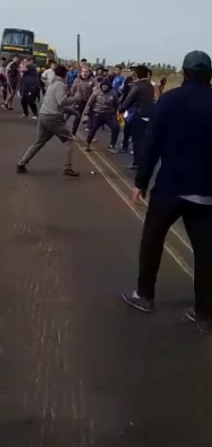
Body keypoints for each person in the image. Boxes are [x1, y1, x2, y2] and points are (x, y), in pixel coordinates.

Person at [122, 51, 212, 333]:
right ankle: (205, 315)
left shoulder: (170, 101)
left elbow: (152, 145)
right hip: (206, 193)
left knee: (152, 240)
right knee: (206, 253)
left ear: (184, 73)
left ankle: (145, 295)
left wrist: (140, 182)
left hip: (170, 188)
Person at [16, 65, 81, 176]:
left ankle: (21, 163)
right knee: (69, 140)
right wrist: (76, 98)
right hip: (53, 118)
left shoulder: (51, 85)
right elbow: (62, 102)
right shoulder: (60, 85)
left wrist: (72, 112)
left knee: (38, 143)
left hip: (44, 115)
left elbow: (55, 104)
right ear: (65, 75)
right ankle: (68, 168)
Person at [119, 64, 155, 170]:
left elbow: (128, 100)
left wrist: (120, 109)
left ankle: (137, 163)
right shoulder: (150, 85)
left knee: (137, 141)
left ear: (137, 74)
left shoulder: (137, 85)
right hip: (150, 115)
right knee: (145, 140)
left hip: (140, 115)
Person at [82, 77, 120, 153]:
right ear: (101, 85)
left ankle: (111, 145)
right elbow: (89, 104)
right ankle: (87, 144)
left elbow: (118, 104)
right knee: (93, 128)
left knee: (116, 128)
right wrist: (86, 114)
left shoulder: (113, 93)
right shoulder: (96, 92)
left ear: (108, 86)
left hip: (109, 114)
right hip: (97, 113)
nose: (104, 87)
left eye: (106, 85)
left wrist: (118, 112)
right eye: (103, 85)